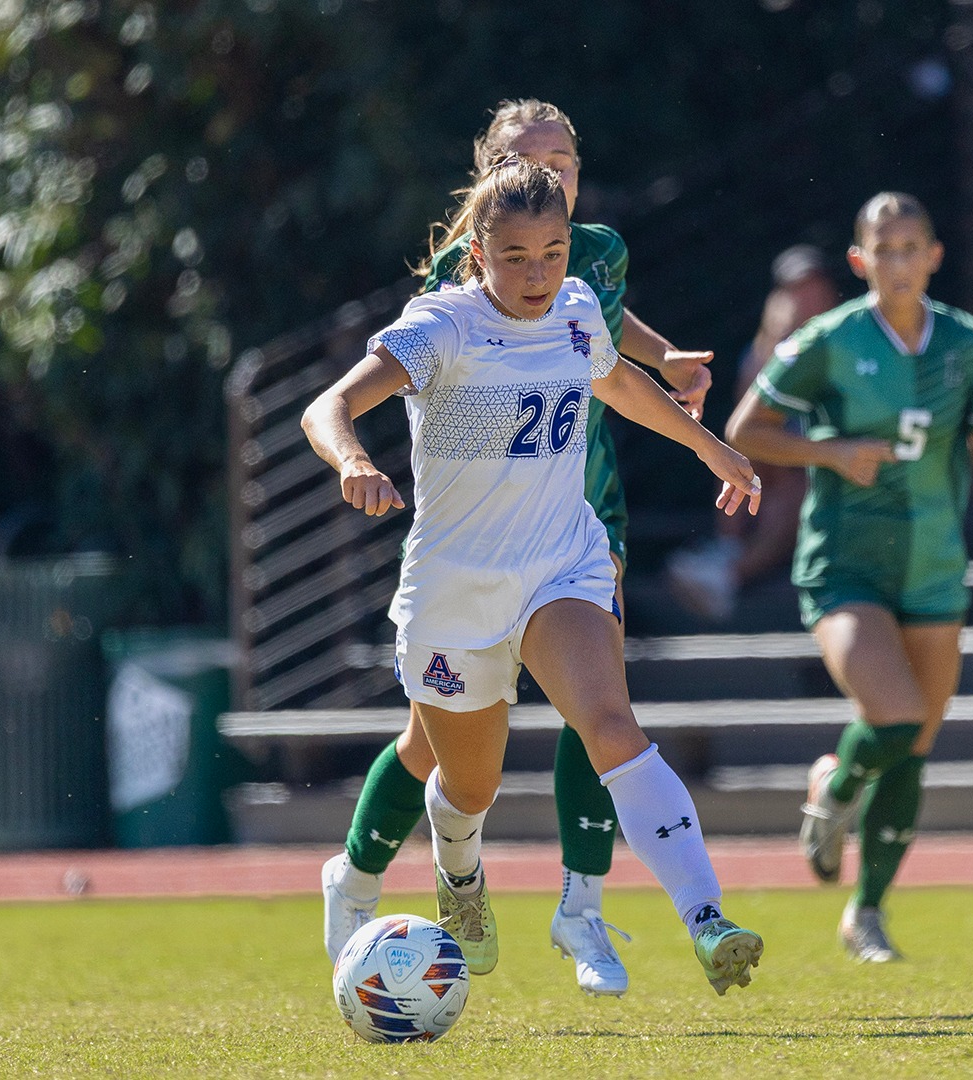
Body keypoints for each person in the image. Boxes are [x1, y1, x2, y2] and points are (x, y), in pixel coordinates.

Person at [303, 157, 766, 995]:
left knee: (612, 726)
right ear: (477, 253)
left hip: (562, 565)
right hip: (454, 591)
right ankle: (462, 874)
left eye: (553, 252)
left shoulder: (581, 308)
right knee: (467, 787)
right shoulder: (440, 325)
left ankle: (707, 918)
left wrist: (710, 446)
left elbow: (617, 382)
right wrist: (353, 461)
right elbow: (326, 406)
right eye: (516, 256)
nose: (538, 274)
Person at [726, 192, 973, 962]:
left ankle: (866, 912)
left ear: (934, 256)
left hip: (932, 561)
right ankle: (834, 786)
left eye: (911, 247)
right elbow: (744, 431)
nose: (897, 262)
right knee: (893, 720)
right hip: (847, 561)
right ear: (860, 262)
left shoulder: (967, 343)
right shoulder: (829, 339)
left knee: (916, 746)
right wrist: (830, 451)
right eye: (882, 250)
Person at [668, 244, 839, 622]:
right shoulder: (763, 352)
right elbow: (746, 430)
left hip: (831, 481)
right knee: (738, 453)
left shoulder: (846, 347)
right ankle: (728, 551)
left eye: (812, 289)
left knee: (797, 492)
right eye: (794, 290)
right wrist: (773, 348)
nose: (803, 300)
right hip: (778, 482)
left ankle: (728, 574)